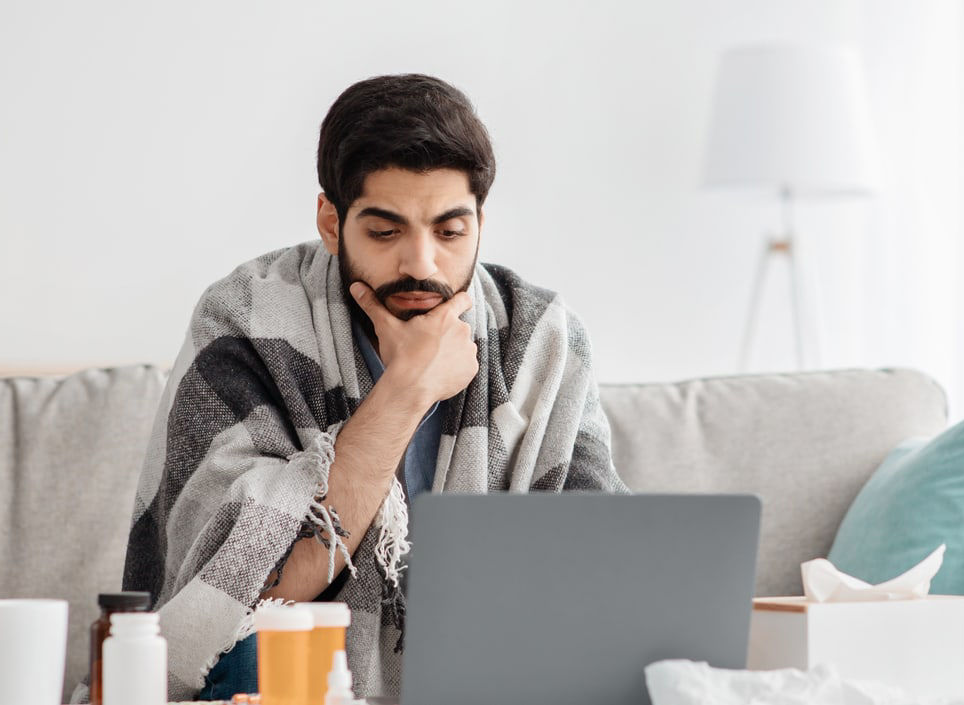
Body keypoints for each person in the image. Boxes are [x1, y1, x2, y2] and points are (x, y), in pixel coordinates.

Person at [97, 73, 629, 702]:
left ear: (481, 221)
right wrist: (404, 392)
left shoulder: (540, 337)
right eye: (384, 231)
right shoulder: (245, 321)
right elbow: (238, 597)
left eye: (450, 231)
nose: (421, 264)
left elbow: (604, 581)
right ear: (331, 220)